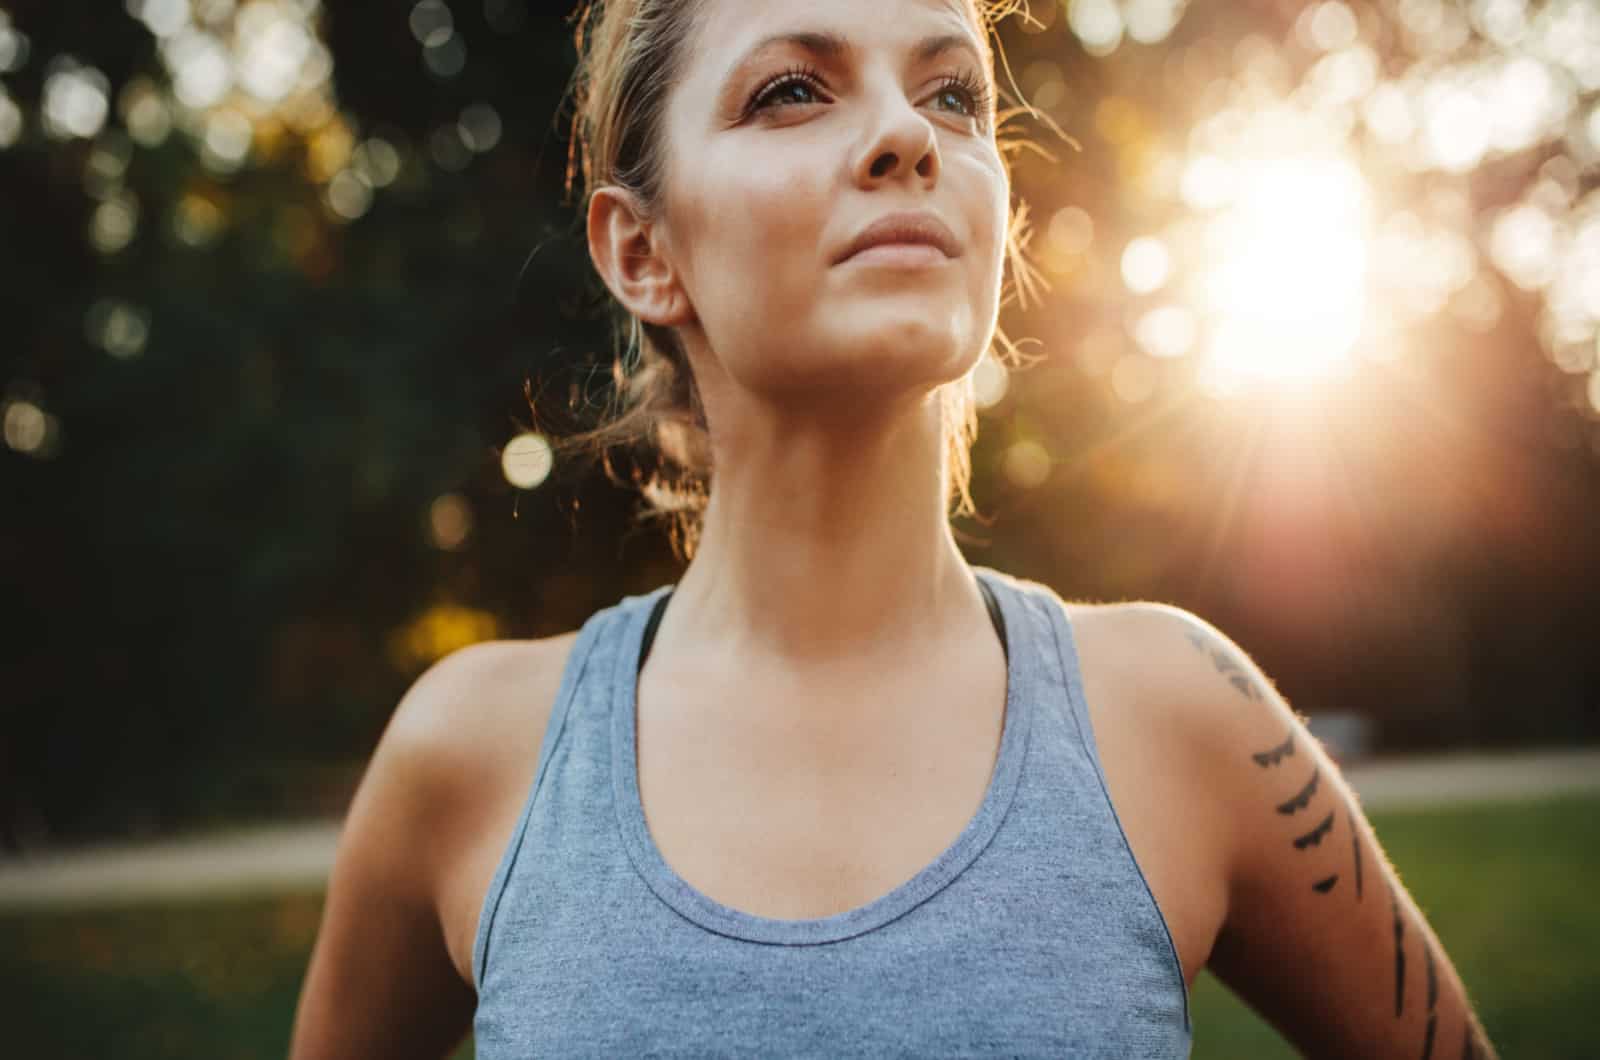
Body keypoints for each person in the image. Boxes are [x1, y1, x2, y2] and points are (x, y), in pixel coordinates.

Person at [290, 1, 1500, 1056]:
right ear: (642, 250)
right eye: (792, 90)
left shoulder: (1183, 713)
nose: (908, 136)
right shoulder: (470, 756)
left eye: (952, 94)